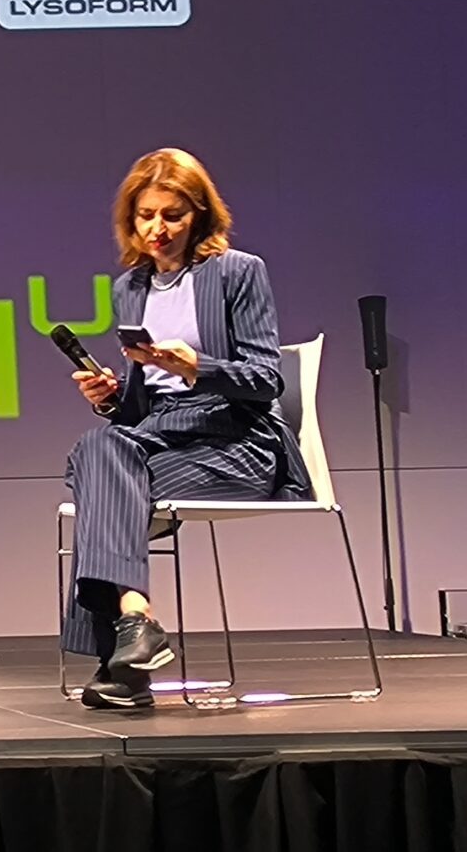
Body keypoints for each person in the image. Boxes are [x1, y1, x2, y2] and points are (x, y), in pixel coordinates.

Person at [63, 148, 310, 710]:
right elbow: (137, 413)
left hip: (236, 440)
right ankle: (135, 623)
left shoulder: (237, 272)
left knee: (97, 476)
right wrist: (111, 398)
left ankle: (124, 664)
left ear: (199, 215)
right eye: (146, 215)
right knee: (98, 446)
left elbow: (266, 378)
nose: (158, 229)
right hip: (161, 434)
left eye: (172, 215)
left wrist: (197, 367)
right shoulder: (130, 287)